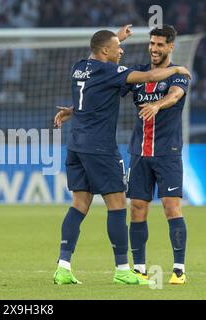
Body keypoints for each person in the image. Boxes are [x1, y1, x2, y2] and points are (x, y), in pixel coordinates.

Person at [52, 25, 191, 285]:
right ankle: (125, 269)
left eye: (160, 44)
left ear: (170, 46)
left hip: (85, 145)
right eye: (118, 49)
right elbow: (147, 76)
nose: (122, 52)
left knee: (80, 205)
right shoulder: (117, 71)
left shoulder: (80, 66)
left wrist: (116, 38)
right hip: (108, 149)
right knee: (122, 207)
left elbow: (97, 82)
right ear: (106, 51)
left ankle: (63, 266)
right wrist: (176, 68)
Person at [120, 25, 189, 284]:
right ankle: (138, 269)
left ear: (171, 46)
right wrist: (74, 108)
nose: (155, 48)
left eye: (160, 45)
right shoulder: (139, 75)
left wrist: (157, 105)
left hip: (167, 152)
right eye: (152, 43)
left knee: (172, 208)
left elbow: (174, 96)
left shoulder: (178, 76)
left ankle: (179, 270)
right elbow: (107, 89)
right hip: (139, 152)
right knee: (137, 209)